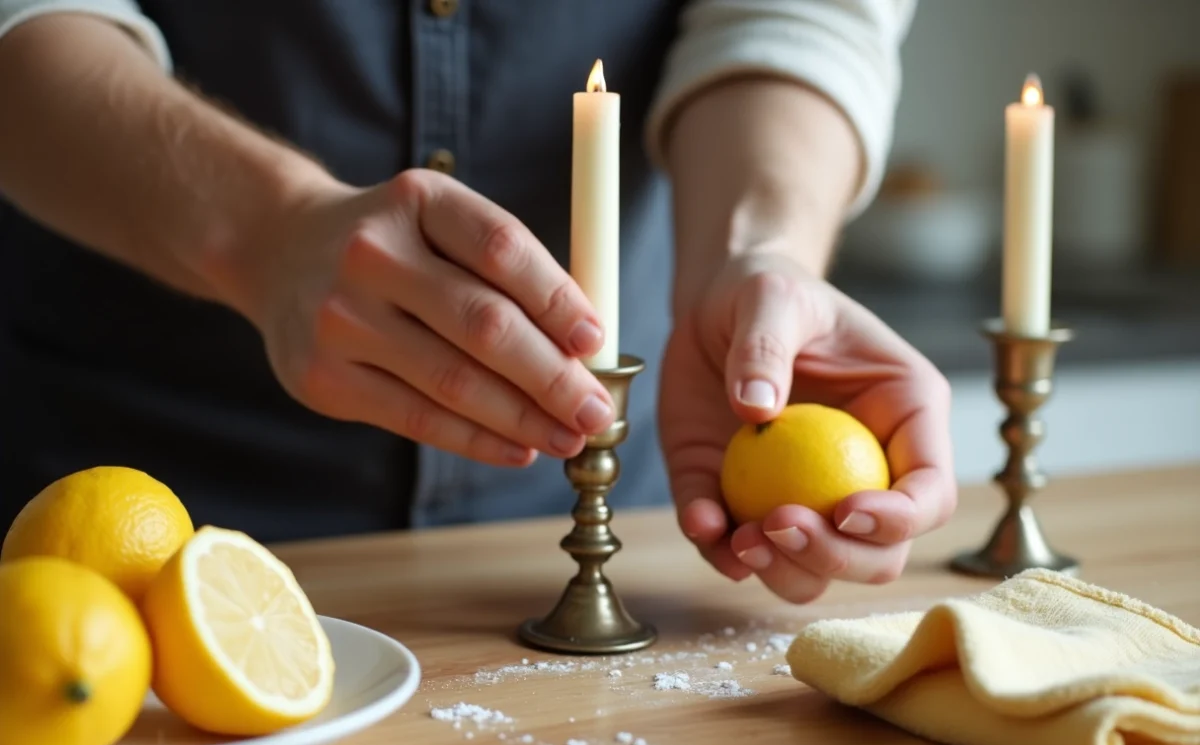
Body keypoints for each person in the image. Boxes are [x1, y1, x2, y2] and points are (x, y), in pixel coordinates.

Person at [0, 0, 955, 604]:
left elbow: (799, 16)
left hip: (638, 522)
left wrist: (756, 250)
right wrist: (265, 232)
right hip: (134, 530)